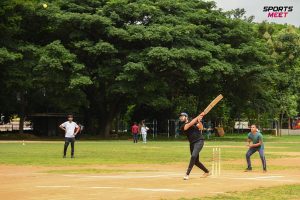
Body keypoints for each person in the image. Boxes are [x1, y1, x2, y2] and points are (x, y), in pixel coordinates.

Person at [179, 112, 209, 180]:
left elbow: (201, 128)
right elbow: (189, 124)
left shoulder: (193, 121)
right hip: (192, 143)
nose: (180, 118)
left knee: (193, 156)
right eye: (180, 117)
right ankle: (207, 171)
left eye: (182, 116)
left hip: (199, 141)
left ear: (186, 117)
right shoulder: (183, 126)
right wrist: (197, 117)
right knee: (196, 161)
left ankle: (187, 174)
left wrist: (199, 121)